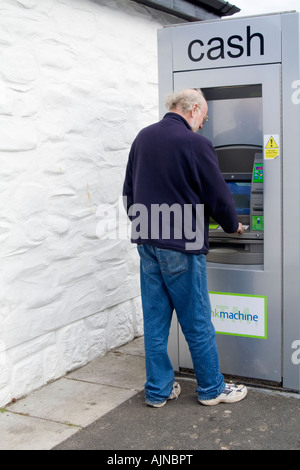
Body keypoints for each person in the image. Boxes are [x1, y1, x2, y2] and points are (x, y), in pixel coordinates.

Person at [123, 88, 247, 407]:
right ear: (192, 109)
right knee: (197, 319)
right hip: (182, 244)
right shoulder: (195, 143)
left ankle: (158, 391)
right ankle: (211, 389)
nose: (202, 125)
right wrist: (233, 225)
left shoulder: (143, 138)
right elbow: (217, 194)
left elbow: (128, 191)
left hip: (147, 242)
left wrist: (147, 226)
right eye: (203, 118)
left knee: (155, 321)